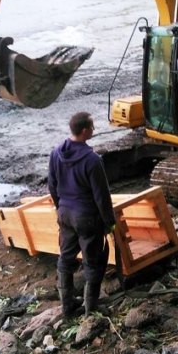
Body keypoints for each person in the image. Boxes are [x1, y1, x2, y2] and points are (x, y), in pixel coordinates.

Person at [48, 112, 115, 317]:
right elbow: (101, 195)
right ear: (85, 130)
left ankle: (67, 306)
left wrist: (61, 207)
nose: (93, 131)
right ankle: (90, 308)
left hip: (65, 214)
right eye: (92, 128)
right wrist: (109, 222)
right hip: (86, 216)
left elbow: (52, 185)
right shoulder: (92, 159)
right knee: (92, 260)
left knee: (66, 258)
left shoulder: (56, 152)